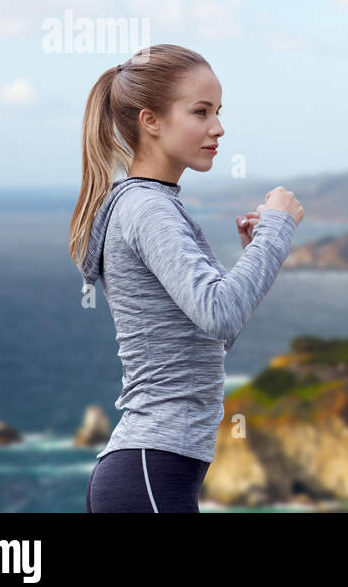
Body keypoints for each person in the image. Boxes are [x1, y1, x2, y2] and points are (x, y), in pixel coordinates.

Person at [68, 43, 305, 512]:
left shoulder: (153, 204)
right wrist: (277, 229)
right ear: (150, 121)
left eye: (218, 112)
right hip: (149, 474)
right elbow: (220, 315)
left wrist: (256, 253)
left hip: (148, 474)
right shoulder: (149, 209)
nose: (218, 127)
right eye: (201, 112)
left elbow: (210, 338)